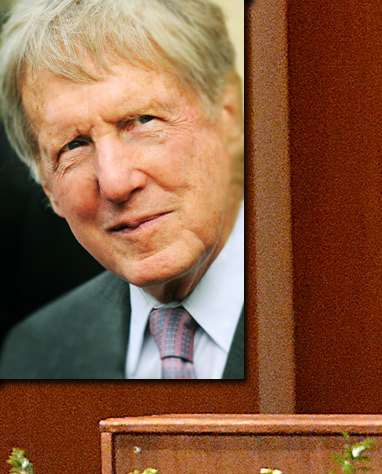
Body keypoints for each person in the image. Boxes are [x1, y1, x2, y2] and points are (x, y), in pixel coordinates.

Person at [0, 0, 244, 379]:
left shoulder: (353, 309)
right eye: (74, 145)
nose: (115, 183)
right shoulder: (33, 354)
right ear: (47, 186)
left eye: (142, 121)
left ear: (228, 118)